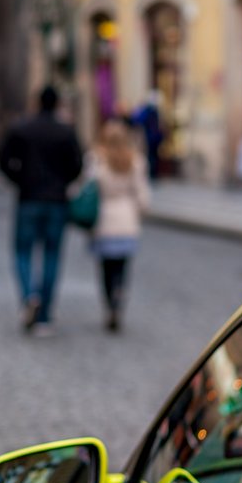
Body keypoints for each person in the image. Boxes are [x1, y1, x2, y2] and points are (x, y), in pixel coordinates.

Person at [0, 86, 84, 334]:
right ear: (56, 104)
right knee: (52, 255)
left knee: (23, 251)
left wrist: (20, 180)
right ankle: (44, 313)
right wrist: (62, 183)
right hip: (56, 201)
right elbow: (77, 165)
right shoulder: (65, 131)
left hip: (29, 198)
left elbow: (4, 161)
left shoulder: (21, 128)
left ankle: (29, 295)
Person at [90, 120, 151, 333]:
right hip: (126, 220)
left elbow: (88, 187)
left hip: (104, 220)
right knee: (122, 268)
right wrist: (141, 210)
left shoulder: (96, 160)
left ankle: (110, 303)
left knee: (106, 268)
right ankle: (118, 297)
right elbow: (141, 194)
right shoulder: (135, 160)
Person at [132, 91, 163, 180]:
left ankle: (152, 174)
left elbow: (137, 119)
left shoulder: (149, 111)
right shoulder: (154, 111)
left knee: (151, 156)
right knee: (152, 156)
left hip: (151, 138)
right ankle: (153, 174)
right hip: (153, 137)